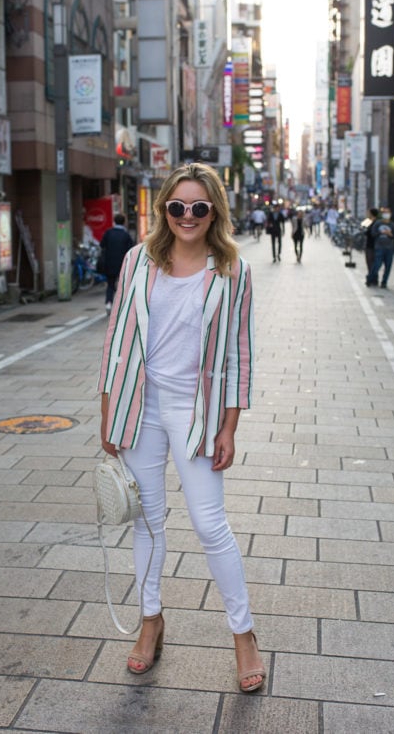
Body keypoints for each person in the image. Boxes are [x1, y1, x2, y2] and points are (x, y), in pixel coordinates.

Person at [98, 162, 265, 693]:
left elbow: (239, 355)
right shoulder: (137, 261)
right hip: (139, 407)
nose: (186, 216)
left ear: (214, 212)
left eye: (197, 207)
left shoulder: (232, 270)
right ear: (163, 209)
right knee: (147, 521)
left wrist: (229, 427)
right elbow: (117, 339)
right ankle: (150, 621)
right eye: (176, 206)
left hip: (196, 411)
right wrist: (108, 411)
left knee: (210, 524)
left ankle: (243, 634)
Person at [99, 212, 134, 312]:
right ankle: (122, 306)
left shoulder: (108, 233)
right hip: (122, 264)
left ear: (114, 221)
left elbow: (102, 245)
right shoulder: (126, 235)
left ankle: (108, 303)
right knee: (123, 285)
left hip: (109, 263)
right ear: (124, 222)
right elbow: (131, 250)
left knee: (110, 285)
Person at [366, 206, 394, 288]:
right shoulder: (378, 223)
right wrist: (381, 233)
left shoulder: (392, 225)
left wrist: (390, 234)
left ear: (390, 214)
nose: (386, 214)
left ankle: (384, 282)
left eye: (387, 213)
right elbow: (373, 234)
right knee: (376, 265)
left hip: (389, 248)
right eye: (384, 213)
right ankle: (370, 279)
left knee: (388, 266)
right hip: (379, 247)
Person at [361, 207, 379, 281]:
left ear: (371, 214)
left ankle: (372, 278)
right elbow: (363, 227)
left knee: (372, 262)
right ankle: (372, 277)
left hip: (372, 245)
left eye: (368, 213)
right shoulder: (369, 221)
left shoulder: (376, 222)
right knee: (370, 262)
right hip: (370, 244)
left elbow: (369, 233)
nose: (367, 214)